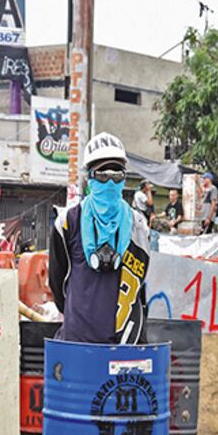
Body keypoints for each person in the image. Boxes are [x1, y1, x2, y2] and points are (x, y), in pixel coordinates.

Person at [48, 132, 151, 345]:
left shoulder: (138, 224)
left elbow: (141, 283)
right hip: (78, 340)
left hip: (124, 340)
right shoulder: (67, 223)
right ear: (90, 178)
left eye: (117, 175)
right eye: (102, 175)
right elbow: (57, 281)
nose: (110, 182)